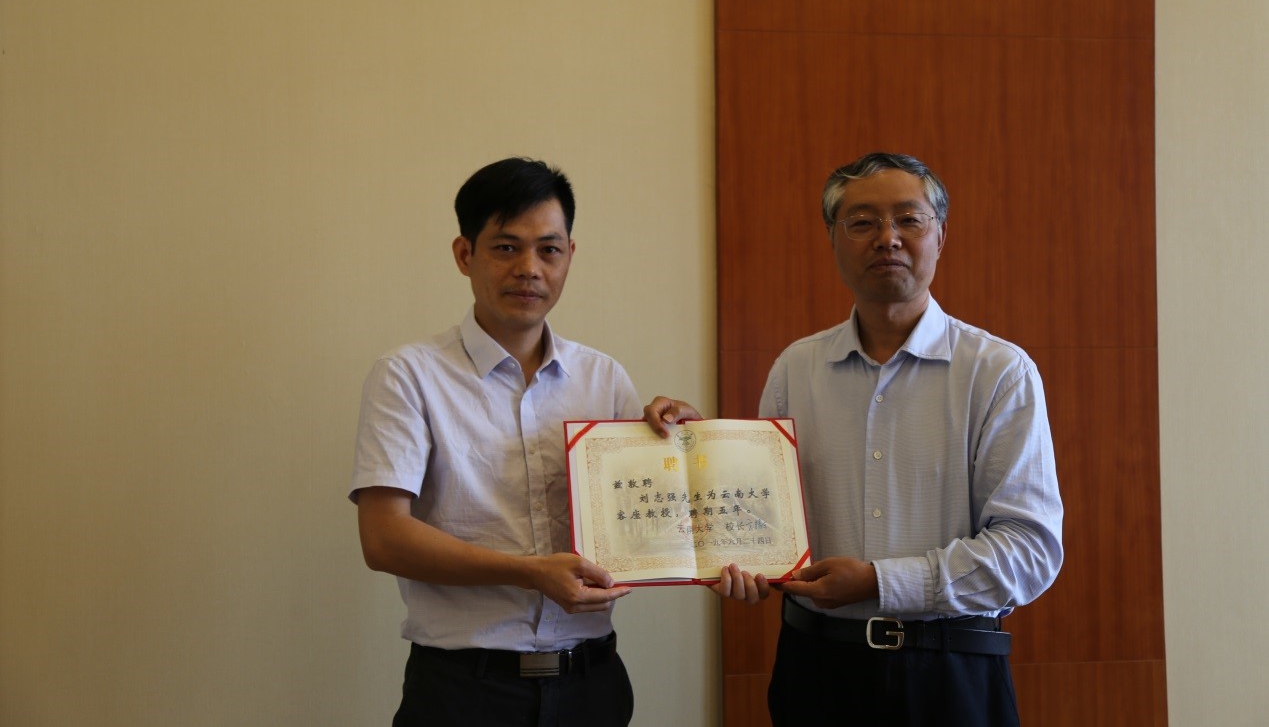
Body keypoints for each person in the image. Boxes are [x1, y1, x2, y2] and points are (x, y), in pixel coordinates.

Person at [645, 152, 1063, 726]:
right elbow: (762, 523)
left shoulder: (998, 373)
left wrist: (880, 582)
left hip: (949, 674)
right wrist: (697, 452)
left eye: (909, 220)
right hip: (816, 670)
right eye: (863, 222)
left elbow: (1030, 551)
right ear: (833, 240)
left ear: (941, 235)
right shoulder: (795, 369)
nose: (887, 238)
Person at [351, 157, 641, 727]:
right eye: (506, 248)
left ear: (569, 255)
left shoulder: (604, 379)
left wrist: (680, 443)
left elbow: (646, 522)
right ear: (465, 254)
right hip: (464, 692)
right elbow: (383, 539)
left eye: (549, 250)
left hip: (592, 684)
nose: (529, 269)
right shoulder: (408, 375)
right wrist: (530, 571)